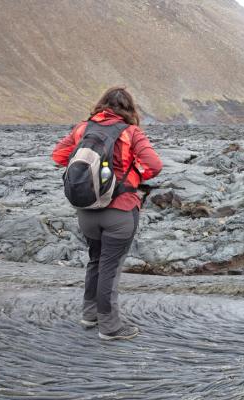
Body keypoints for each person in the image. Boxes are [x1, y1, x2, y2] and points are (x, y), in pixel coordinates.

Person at [52, 87, 162, 340]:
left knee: (95, 260)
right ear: (129, 109)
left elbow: (59, 156)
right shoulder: (131, 133)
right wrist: (133, 175)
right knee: (110, 269)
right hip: (120, 210)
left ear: (101, 105)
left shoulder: (82, 128)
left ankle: (89, 314)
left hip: (87, 210)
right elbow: (155, 166)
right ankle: (110, 327)